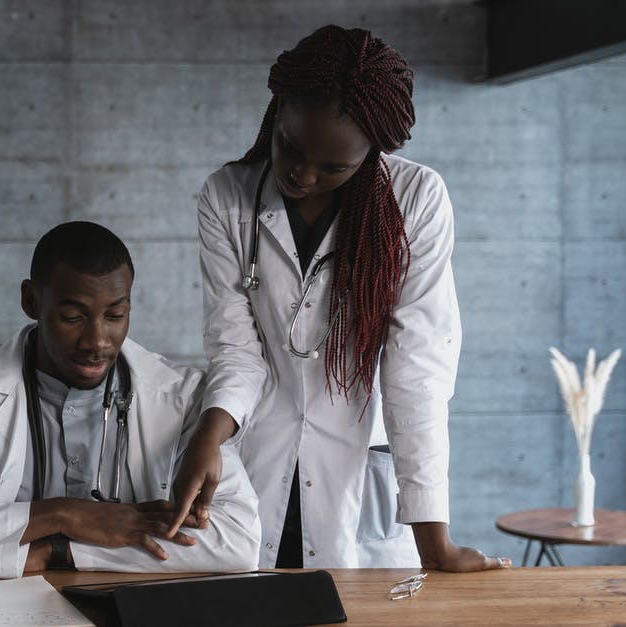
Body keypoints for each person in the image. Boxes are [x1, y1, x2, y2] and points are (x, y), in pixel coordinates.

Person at [169, 25, 510, 571]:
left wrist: (434, 543)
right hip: (256, 455)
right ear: (276, 111)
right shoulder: (227, 196)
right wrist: (210, 433)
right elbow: (235, 348)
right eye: (291, 148)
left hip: (359, 474)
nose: (302, 175)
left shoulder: (415, 201)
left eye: (334, 168)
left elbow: (416, 372)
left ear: (371, 152)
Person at [0, 222, 260, 578]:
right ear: (31, 301)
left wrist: (60, 551)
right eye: (73, 317)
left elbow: (237, 541)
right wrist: (62, 514)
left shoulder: (181, 397)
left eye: (114, 316)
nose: (97, 341)